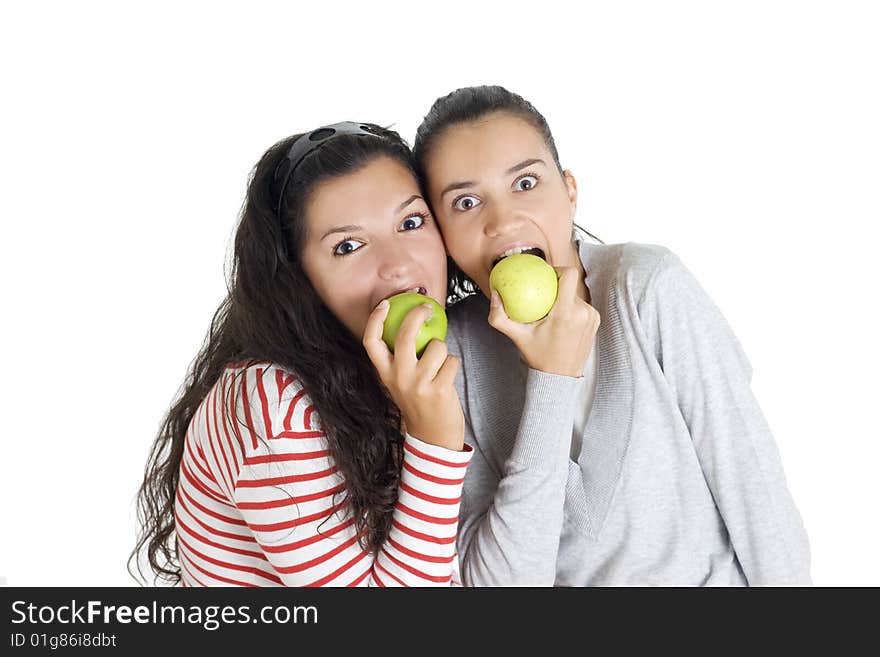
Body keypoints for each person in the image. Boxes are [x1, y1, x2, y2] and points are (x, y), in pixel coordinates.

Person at [412, 85, 811, 586]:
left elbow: (755, 489)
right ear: (441, 234)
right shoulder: (452, 356)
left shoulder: (646, 287)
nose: (504, 219)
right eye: (466, 201)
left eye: (527, 183)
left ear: (570, 191)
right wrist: (550, 380)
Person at [131, 122, 472, 587]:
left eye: (411, 222)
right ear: (298, 280)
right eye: (348, 246)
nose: (398, 264)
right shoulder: (277, 408)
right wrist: (436, 444)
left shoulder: (394, 371)